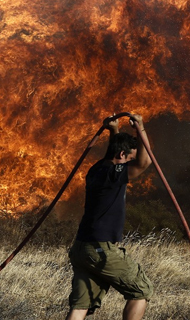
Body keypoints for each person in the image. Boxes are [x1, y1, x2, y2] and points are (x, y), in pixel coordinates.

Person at [65, 114, 154, 320]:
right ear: (122, 155)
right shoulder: (114, 173)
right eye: (129, 159)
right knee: (141, 290)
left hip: (82, 248)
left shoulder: (97, 168)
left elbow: (115, 152)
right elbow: (144, 162)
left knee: (81, 306)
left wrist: (113, 130)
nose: (131, 165)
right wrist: (140, 127)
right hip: (100, 248)